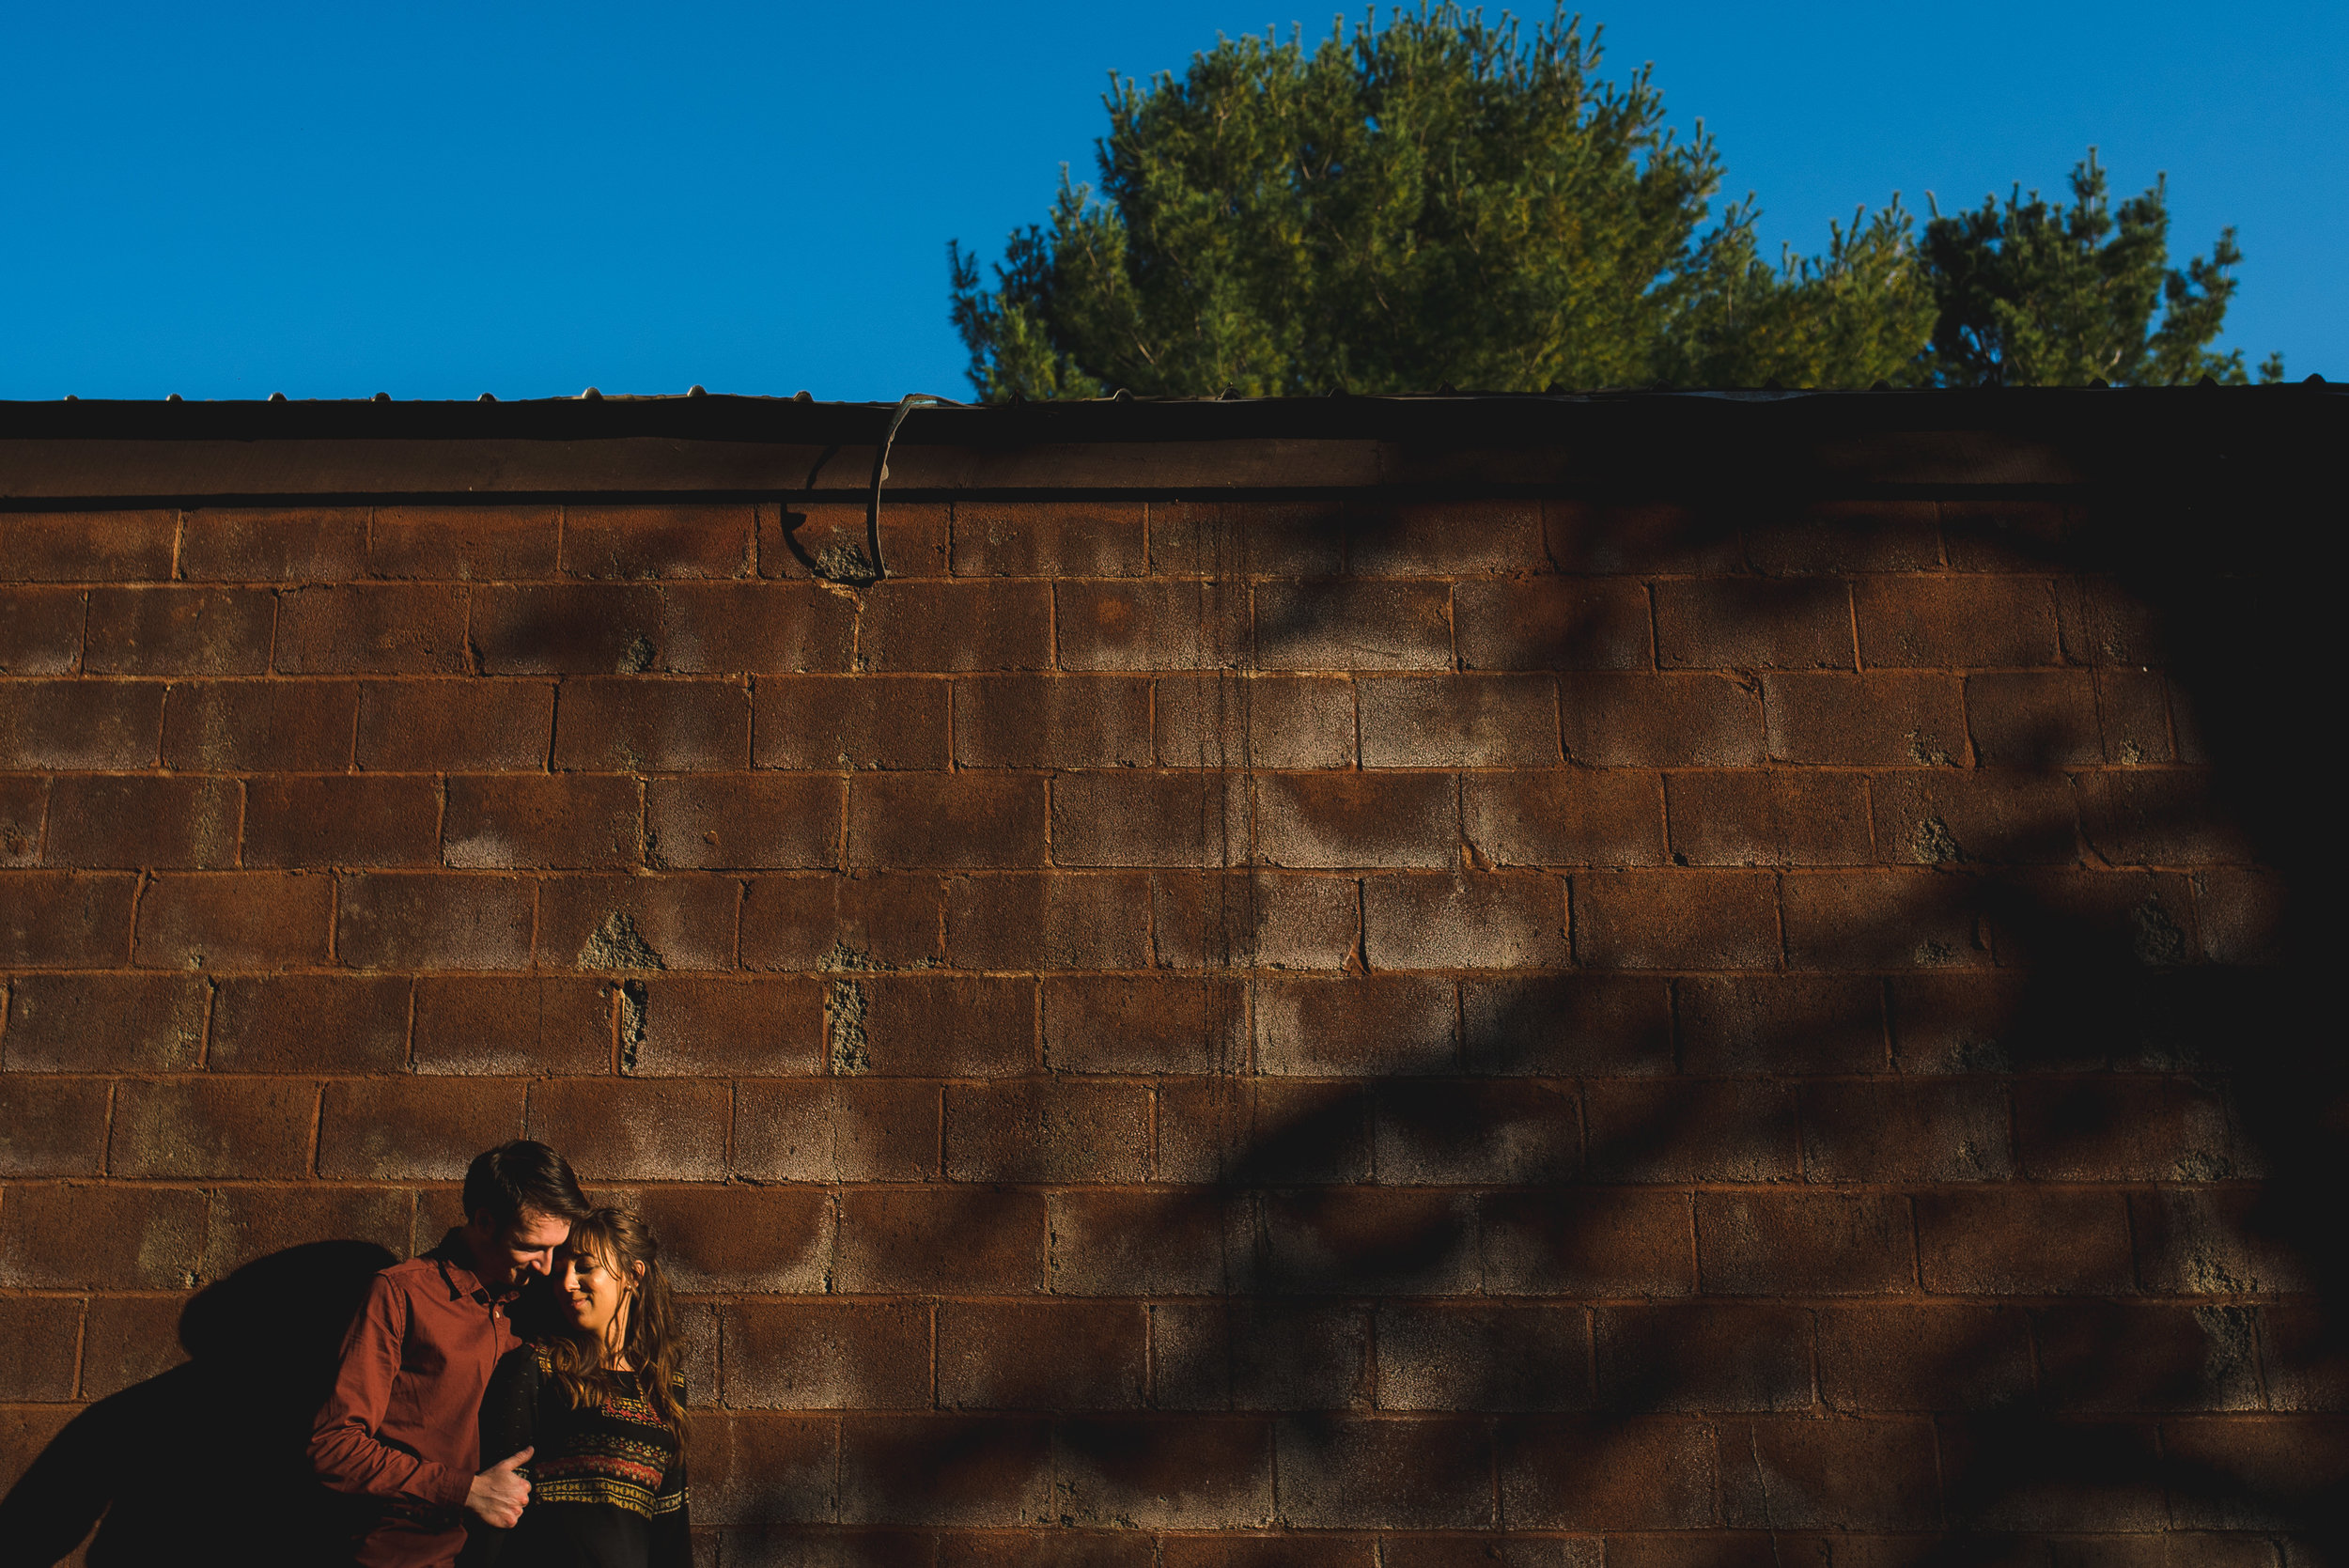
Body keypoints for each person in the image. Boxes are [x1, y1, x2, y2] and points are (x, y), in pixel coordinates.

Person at [311, 1141, 593, 1568]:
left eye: (558, 1247)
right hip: (407, 1556)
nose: (548, 1266)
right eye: (532, 1246)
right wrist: (465, 1490)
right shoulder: (401, 1295)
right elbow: (334, 1447)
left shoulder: (539, 1302)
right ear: (484, 1222)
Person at [459, 1205, 692, 1568]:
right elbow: (497, 1510)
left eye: (585, 1266)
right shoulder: (537, 1368)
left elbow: (672, 1528)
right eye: (561, 1271)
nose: (566, 1282)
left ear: (633, 1274)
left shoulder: (665, 1386)